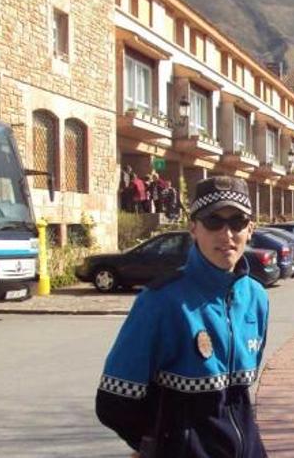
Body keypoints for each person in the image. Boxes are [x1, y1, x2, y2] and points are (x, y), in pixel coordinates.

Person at [95, 176, 270, 458]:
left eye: (237, 222)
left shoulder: (257, 298)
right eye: (214, 221)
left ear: (250, 229)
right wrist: (167, 445)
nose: (227, 234)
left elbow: (238, 399)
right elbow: (114, 402)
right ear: (193, 228)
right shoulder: (161, 300)